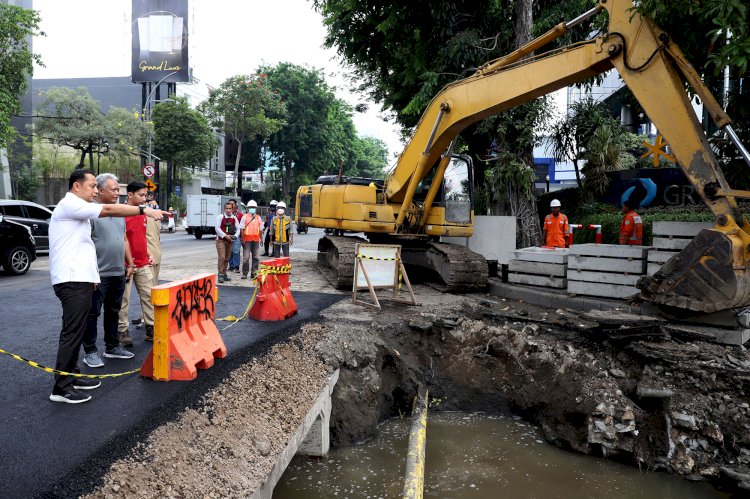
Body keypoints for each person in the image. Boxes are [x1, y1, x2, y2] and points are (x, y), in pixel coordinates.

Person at [48, 169, 162, 404]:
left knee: (76, 330)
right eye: (92, 186)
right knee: (72, 333)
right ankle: (61, 388)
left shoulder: (76, 208)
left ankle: (71, 375)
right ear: (76, 186)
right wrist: (144, 209)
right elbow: (108, 209)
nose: (96, 191)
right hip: (71, 280)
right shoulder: (70, 204)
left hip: (80, 279)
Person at [81, 173, 136, 369]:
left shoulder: (120, 215)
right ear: (100, 190)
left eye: (118, 189)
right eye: (113, 189)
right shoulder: (91, 214)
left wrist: (129, 263)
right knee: (92, 313)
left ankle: (112, 347)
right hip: (98, 275)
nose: (117, 192)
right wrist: (90, 273)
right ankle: (90, 352)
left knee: (113, 311)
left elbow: (123, 240)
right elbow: (84, 246)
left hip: (117, 273)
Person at [117, 181, 159, 345]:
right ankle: (122, 331)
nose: (144, 198)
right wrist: (129, 263)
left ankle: (151, 327)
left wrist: (148, 254)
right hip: (126, 266)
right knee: (123, 300)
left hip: (142, 263)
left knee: (149, 296)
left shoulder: (142, 213)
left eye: (145, 195)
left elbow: (141, 238)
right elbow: (122, 240)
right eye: (141, 195)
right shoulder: (120, 213)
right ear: (129, 195)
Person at [238, 200, 263, 279]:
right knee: (246, 257)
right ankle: (245, 273)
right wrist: (242, 239)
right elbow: (241, 229)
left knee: (256, 257)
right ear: (248, 208)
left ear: (256, 208)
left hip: (256, 240)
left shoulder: (258, 217)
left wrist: (261, 239)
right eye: (251, 207)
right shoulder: (244, 217)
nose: (252, 208)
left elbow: (261, 229)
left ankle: (254, 273)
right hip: (247, 240)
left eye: (254, 207)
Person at [215, 202, 239, 283]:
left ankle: (224, 274)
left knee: (227, 258)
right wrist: (225, 236)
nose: (228, 210)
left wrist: (235, 236)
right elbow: (217, 228)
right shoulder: (220, 217)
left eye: (230, 208)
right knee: (222, 257)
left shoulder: (234, 218)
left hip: (229, 241)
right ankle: (220, 275)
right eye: (227, 208)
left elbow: (238, 228)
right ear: (224, 209)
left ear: (232, 209)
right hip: (221, 240)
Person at [228, 199, 243, 272]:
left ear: (236, 205)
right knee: (229, 251)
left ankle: (236, 266)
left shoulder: (240, 215)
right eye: (229, 204)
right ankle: (231, 266)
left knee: (236, 251)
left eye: (232, 204)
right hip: (228, 236)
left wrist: (241, 237)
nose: (231, 205)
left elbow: (242, 227)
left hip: (237, 236)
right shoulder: (226, 214)